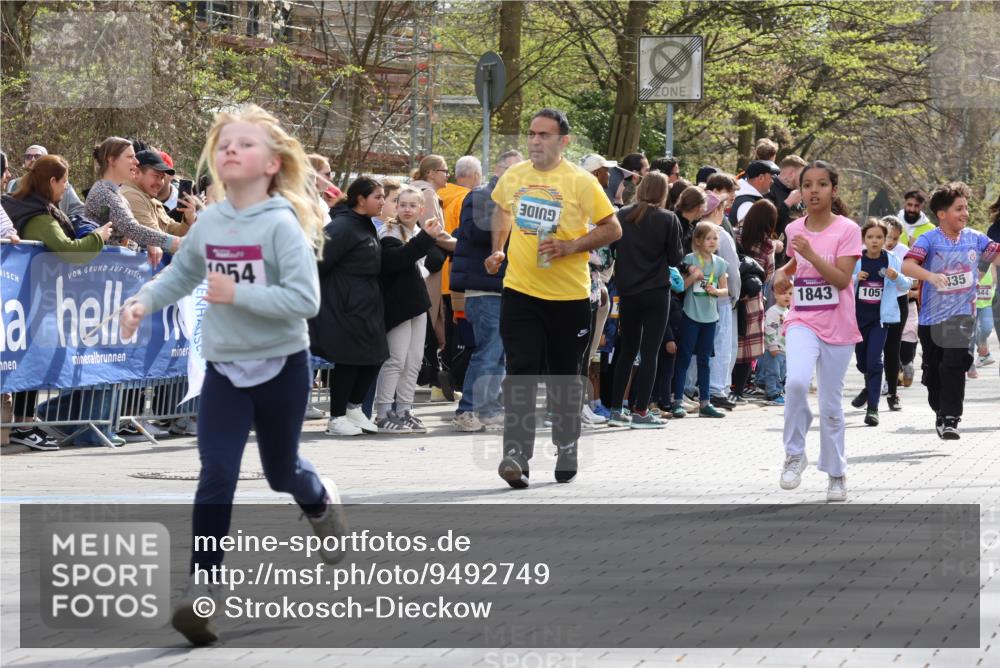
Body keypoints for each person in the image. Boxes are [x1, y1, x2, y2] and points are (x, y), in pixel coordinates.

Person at [117, 105, 345, 645]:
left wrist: (238, 292)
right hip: (224, 368)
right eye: (224, 144)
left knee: (280, 472)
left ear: (270, 163)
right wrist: (141, 302)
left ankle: (319, 502)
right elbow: (182, 274)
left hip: (281, 365)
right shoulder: (213, 221)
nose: (231, 151)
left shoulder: (281, 223)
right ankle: (205, 592)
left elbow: (305, 301)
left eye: (245, 144)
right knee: (216, 473)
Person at [485, 108, 621, 488]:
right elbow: (501, 210)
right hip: (520, 291)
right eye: (531, 134)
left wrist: (571, 245)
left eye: (544, 135)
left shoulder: (580, 182)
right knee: (521, 371)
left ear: (564, 141)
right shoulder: (514, 176)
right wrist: (498, 249)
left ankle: (566, 444)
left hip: (569, 297)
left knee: (565, 377)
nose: (535, 141)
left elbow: (613, 228)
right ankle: (516, 455)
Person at [1, 155, 114, 451]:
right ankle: (23, 425)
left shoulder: (23, 205)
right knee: (27, 361)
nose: (66, 188)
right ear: (51, 182)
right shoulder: (38, 216)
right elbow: (69, 250)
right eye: (64, 181)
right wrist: (100, 236)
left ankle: (22, 424)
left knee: (26, 360)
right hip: (26, 300)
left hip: (26, 298)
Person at [773, 160, 861, 502]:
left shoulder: (848, 230)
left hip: (838, 323)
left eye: (821, 184)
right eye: (807, 184)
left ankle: (836, 473)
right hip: (802, 319)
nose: (813, 190)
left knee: (830, 405)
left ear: (833, 190)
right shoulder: (795, 230)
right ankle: (795, 453)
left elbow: (841, 279)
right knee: (795, 381)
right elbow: (796, 264)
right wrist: (783, 271)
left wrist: (809, 253)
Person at [902, 182, 1000, 440]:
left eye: (966, 208)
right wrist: (931, 277)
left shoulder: (975, 237)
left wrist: (981, 267)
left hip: (962, 315)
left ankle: (951, 418)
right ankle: (940, 410)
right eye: (959, 209)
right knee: (934, 372)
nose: (965, 213)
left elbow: (995, 251)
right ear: (942, 214)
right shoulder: (929, 239)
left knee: (954, 365)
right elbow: (908, 265)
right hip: (931, 317)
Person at [450, 149, 523, 432]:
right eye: (513, 170)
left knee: (500, 352)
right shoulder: (480, 195)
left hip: (509, 286)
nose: (519, 176)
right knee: (488, 350)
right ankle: (467, 409)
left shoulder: (519, 199)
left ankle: (490, 408)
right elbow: (473, 231)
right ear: (499, 169)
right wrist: (510, 221)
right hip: (484, 286)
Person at [607, 171, 684, 428]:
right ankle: (640, 410)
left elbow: (613, 249)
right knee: (650, 352)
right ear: (663, 193)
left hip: (628, 291)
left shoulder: (622, 215)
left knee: (626, 350)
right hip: (656, 291)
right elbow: (675, 258)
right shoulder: (668, 219)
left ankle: (616, 409)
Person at [311, 177, 387, 437]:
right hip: (345, 304)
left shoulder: (367, 226)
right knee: (349, 359)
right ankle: (337, 417)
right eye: (378, 196)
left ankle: (354, 407)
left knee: (376, 354)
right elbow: (317, 261)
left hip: (367, 302)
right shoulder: (342, 226)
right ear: (361, 199)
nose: (383, 202)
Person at [375, 186, 445, 433]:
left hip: (417, 302)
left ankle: (405, 409)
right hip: (398, 304)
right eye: (401, 204)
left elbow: (429, 264)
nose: (406, 209)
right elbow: (397, 260)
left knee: (414, 360)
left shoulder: (417, 231)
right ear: (395, 207)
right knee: (396, 359)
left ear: (421, 209)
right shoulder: (389, 231)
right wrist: (426, 238)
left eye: (412, 205)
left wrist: (429, 237)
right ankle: (383, 413)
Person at [848, 218, 911, 426]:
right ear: (864, 239)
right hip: (858, 319)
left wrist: (897, 277)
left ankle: (873, 409)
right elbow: (841, 281)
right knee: (863, 362)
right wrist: (856, 278)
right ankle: (869, 387)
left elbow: (908, 282)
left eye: (879, 237)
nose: (874, 241)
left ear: (885, 239)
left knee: (876, 362)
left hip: (880, 320)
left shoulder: (891, 259)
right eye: (870, 237)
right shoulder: (856, 259)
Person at [85, 136, 179, 267]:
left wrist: (150, 243)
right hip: (106, 272)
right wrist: (176, 242)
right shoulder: (104, 193)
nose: (136, 162)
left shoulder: (114, 193)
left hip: (116, 271)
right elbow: (131, 228)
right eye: (130, 157)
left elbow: (126, 234)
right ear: (112, 160)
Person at [669, 221, 729, 419]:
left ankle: (705, 402)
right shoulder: (689, 259)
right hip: (690, 315)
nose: (712, 242)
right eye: (708, 238)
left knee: (704, 360)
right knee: (684, 358)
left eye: (715, 238)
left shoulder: (720, 263)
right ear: (698, 241)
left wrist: (716, 291)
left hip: (710, 318)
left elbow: (725, 290)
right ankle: (677, 400)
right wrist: (693, 278)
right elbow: (679, 287)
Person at [410, 155, 454, 400]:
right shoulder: (426, 192)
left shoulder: (415, 188)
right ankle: (430, 374)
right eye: (445, 170)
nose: (448, 175)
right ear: (431, 173)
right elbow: (435, 230)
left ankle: (431, 375)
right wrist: (458, 245)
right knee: (428, 318)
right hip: (427, 266)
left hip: (419, 263)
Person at [732, 199, 778, 403]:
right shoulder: (767, 245)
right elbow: (769, 274)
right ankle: (739, 390)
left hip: (732, 293)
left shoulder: (734, 233)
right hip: (752, 296)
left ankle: (724, 386)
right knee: (748, 348)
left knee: (731, 342)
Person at [882, 215, 919, 402]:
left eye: (894, 238)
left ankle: (890, 384)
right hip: (876, 304)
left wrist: (901, 280)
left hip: (899, 301)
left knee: (892, 344)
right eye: (886, 237)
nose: (889, 242)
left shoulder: (903, 251)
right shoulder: (869, 249)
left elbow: (914, 279)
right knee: (877, 344)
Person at [120, 150, 194, 237]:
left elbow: (174, 231)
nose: (160, 183)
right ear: (137, 173)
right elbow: (156, 238)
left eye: (162, 177)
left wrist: (188, 218)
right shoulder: (131, 196)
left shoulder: (151, 200)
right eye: (156, 176)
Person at [7, 144, 86, 218]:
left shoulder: (61, 183)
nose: (33, 159)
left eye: (37, 156)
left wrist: (70, 226)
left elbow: (78, 210)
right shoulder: (13, 184)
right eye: (28, 156)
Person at [766, 154, 807, 246]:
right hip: (772, 251)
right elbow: (767, 222)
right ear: (792, 174)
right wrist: (788, 203)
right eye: (802, 175)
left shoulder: (796, 192)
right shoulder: (769, 189)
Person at [760, 285, 791, 404]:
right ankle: (772, 393)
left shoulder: (787, 311)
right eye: (784, 293)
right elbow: (770, 328)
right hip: (775, 349)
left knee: (782, 373)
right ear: (775, 295)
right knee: (773, 372)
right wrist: (772, 345)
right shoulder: (773, 311)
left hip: (784, 349)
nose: (787, 296)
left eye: (790, 293)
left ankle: (779, 391)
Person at [729, 160, 779, 230]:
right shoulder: (747, 204)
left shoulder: (741, 195)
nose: (772, 181)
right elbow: (750, 234)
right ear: (761, 178)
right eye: (771, 177)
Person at [969, 267, 995, 375]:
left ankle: (982, 346)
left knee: (987, 328)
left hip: (986, 303)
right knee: (971, 335)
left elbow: (994, 280)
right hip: (971, 303)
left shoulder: (991, 260)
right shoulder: (970, 257)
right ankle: (970, 365)